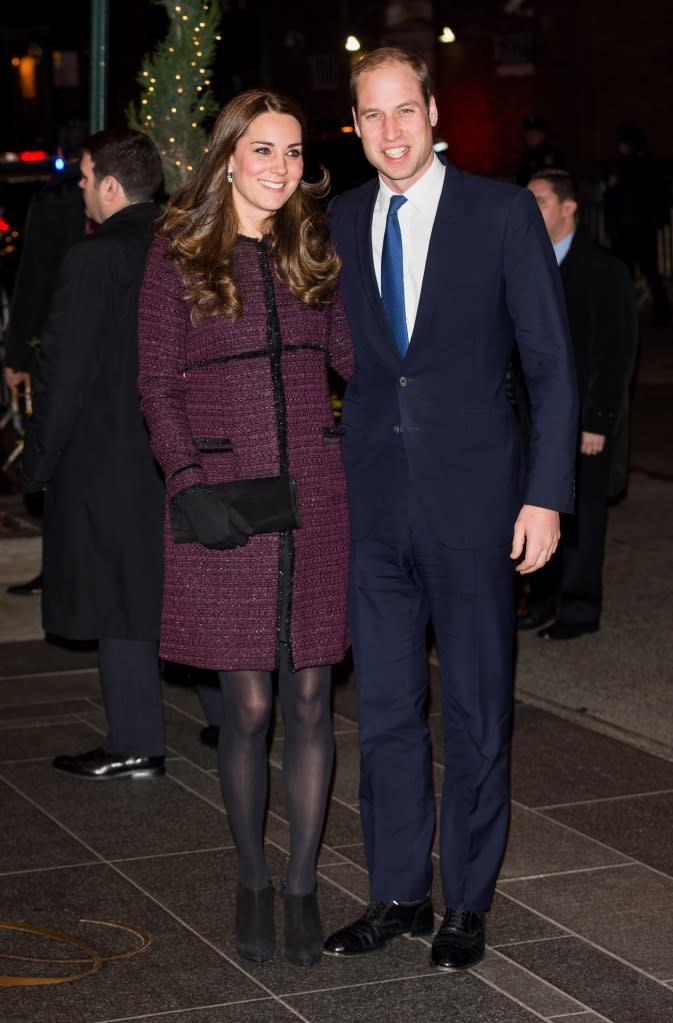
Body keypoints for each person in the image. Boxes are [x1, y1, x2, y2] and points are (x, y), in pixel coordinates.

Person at [322, 48, 578, 971]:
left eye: (402, 111)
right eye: (369, 116)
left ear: (433, 112)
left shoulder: (501, 213)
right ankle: (396, 890)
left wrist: (546, 494)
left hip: (477, 506)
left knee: (475, 709)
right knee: (386, 710)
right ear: (353, 126)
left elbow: (550, 368)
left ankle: (465, 901)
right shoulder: (341, 219)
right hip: (374, 510)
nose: (388, 132)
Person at [136, 89, 352, 967]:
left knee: (307, 698)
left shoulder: (312, 250)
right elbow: (156, 383)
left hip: (317, 498)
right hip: (226, 497)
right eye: (263, 150)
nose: (280, 168)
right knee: (249, 704)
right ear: (228, 156)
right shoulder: (177, 253)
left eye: (294, 153)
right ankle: (249, 878)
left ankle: (299, 883)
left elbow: (354, 361)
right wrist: (189, 480)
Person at [22, 129, 167, 781]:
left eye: (83, 178)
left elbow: (64, 368)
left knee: (119, 597)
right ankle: (230, 715)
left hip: (108, 456)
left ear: (110, 186)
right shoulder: (185, 245)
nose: (80, 190)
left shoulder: (94, 256)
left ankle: (135, 740)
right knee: (180, 587)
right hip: (178, 450)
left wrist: (39, 459)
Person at [520, 169, 637, 639]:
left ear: (569, 208)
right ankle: (543, 600)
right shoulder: (527, 264)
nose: (530, 211)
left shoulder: (605, 270)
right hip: (538, 419)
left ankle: (579, 610)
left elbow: (616, 352)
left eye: (541, 202)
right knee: (540, 508)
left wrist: (598, 422)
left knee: (584, 518)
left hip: (586, 422)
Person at [4, 165, 87, 596]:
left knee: (51, 457)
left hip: (55, 353)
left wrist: (17, 354)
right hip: (89, 356)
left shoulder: (52, 204)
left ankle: (59, 572)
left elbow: (33, 279)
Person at [604, 122, 672, 325]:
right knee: (647, 270)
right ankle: (658, 310)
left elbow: (616, 197)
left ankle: (629, 310)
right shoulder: (646, 164)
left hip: (633, 228)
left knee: (631, 271)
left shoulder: (628, 166)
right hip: (638, 228)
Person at [516, 115, 563, 187]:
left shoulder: (552, 155)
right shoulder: (527, 156)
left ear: (543, 135)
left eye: (534, 133)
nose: (530, 136)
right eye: (528, 133)